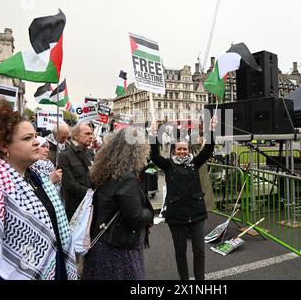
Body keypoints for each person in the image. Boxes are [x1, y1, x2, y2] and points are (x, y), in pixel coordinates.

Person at [0, 101, 77, 280]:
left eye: (35, 136)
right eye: (27, 138)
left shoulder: (37, 177)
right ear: (4, 146)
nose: (37, 142)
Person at [149, 116, 217, 280]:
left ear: (189, 150)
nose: (182, 152)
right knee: (180, 251)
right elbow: (154, 156)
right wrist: (152, 135)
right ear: (174, 151)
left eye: (184, 149)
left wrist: (212, 131)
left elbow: (208, 149)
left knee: (199, 250)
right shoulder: (168, 165)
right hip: (176, 215)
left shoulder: (195, 164)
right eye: (179, 149)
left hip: (196, 214)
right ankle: (184, 280)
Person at [82, 127, 154, 280]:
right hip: (119, 250)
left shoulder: (106, 172)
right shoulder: (126, 178)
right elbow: (137, 219)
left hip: (102, 244)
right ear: (137, 151)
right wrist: (149, 212)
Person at [58, 123, 95, 220]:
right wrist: (90, 195)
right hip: (76, 207)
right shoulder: (64, 156)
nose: (91, 136)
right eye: (87, 134)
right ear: (76, 136)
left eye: (91, 134)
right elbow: (69, 184)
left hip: (91, 205)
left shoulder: (90, 153)